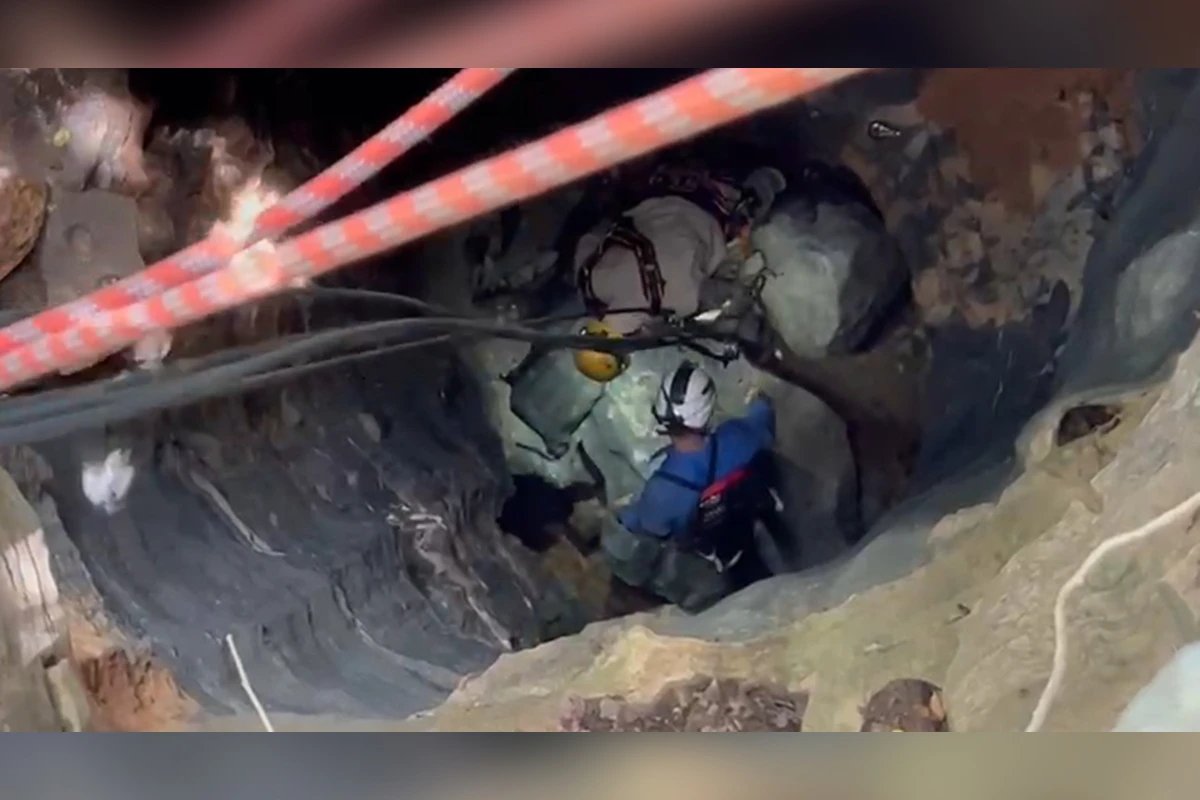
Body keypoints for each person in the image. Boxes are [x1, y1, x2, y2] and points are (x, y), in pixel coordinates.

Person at [571, 162, 786, 382]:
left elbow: (730, 294)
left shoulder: (678, 299)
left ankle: (774, 177)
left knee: (753, 216)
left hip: (712, 206)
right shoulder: (586, 278)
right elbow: (594, 234)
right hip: (659, 190)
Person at [602, 359, 777, 611]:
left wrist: (621, 512)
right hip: (743, 526)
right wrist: (759, 400)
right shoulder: (738, 437)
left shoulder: (662, 491)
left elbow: (648, 528)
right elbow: (763, 418)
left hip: (708, 552)